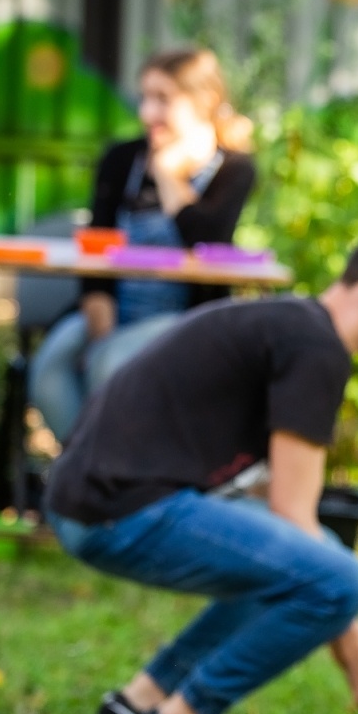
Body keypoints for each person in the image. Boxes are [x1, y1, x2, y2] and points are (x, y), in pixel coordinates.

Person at [45, 222, 358, 714]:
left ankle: (135, 707)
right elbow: (295, 516)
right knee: (338, 577)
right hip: (118, 510)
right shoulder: (316, 346)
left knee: (300, 566)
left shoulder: (289, 326)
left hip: (86, 504)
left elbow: (277, 508)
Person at [29, 47, 258, 439]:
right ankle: (90, 475)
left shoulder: (233, 169)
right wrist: (99, 312)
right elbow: (97, 243)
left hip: (185, 320)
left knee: (112, 364)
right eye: (145, 98)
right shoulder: (121, 160)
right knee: (49, 369)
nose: (148, 114)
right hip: (112, 307)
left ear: (204, 101)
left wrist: (169, 175)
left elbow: (205, 240)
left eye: (163, 100)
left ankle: (104, 481)